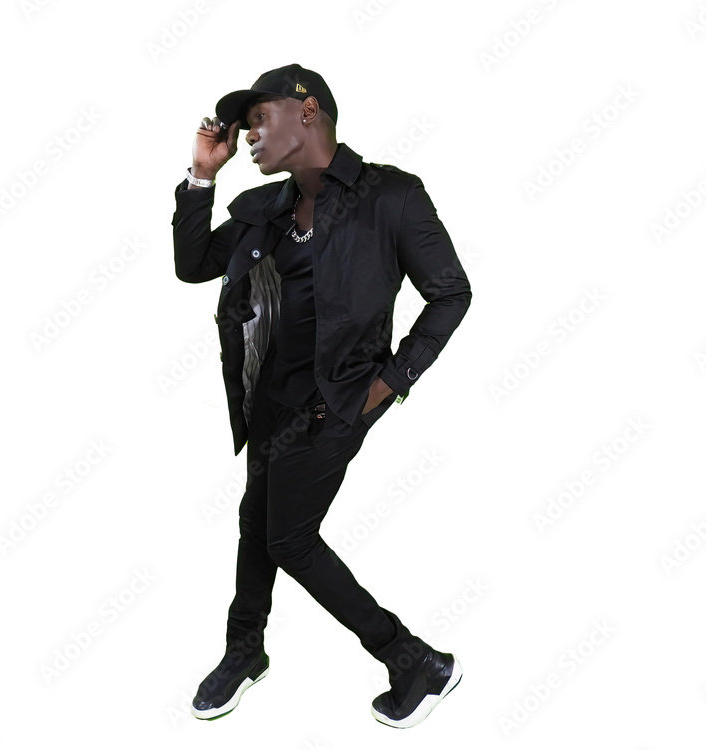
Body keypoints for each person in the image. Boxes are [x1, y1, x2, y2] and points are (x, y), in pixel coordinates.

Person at [172, 63, 471, 728]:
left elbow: (451, 293)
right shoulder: (268, 210)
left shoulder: (390, 196)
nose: (250, 134)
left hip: (334, 408)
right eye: (245, 125)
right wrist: (202, 176)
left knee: (290, 540)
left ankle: (413, 660)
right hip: (269, 405)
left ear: (306, 112)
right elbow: (193, 265)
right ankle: (244, 651)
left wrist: (390, 383)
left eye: (260, 118)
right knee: (256, 526)